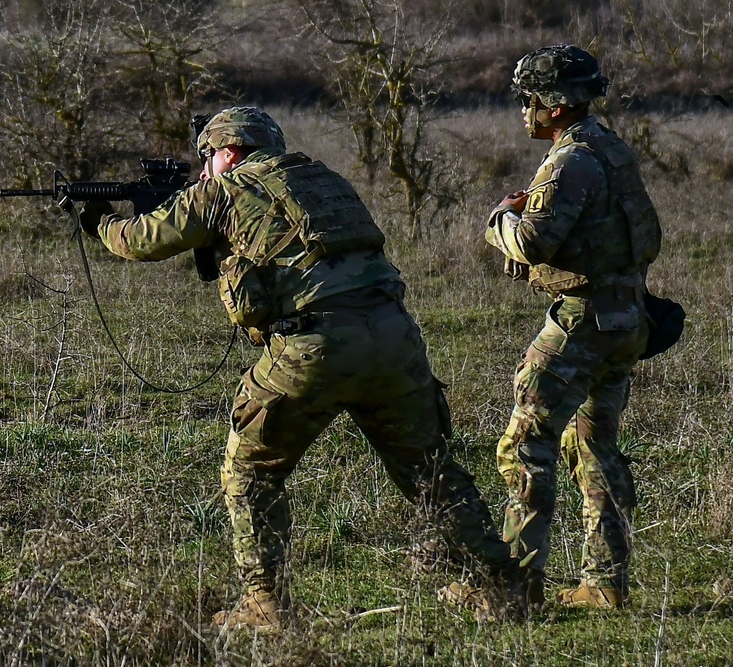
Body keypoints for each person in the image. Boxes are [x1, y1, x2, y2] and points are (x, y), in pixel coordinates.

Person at [78, 106, 522, 629]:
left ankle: (266, 605)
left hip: (316, 344)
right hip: (394, 336)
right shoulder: (323, 178)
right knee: (428, 470)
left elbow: (141, 240)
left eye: (208, 158)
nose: (203, 171)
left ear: (229, 152)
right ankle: (502, 588)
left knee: (249, 469)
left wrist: (99, 221)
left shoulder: (223, 189)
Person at [485, 45, 661, 611]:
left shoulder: (570, 160)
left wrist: (500, 220)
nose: (524, 112)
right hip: (625, 318)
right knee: (594, 447)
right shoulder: (612, 149)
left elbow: (533, 241)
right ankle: (606, 583)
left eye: (528, 101)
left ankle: (516, 589)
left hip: (582, 322)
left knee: (524, 446)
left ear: (553, 106)